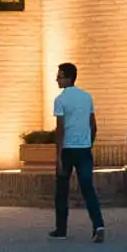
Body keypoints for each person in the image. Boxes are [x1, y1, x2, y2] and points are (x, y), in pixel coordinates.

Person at [48, 62, 105, 242]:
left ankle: (61, 230)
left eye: (59, 76)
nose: (57, 79)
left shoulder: (60, 100)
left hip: (68, 149)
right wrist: (89, 143)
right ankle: (98, 225)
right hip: (84, 149)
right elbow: (93, 125)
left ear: (68, 78)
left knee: (62, 190)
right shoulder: (87, 97)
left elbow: (60, 129)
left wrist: (58, 156)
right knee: (88, 188)